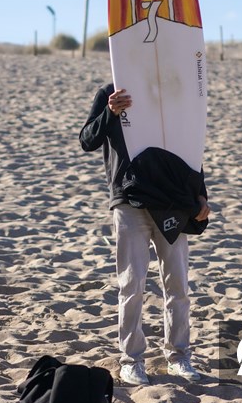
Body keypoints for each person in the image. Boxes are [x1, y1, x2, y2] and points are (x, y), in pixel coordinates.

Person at [79, 84, 210, 386]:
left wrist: (200, 195)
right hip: (129, 199)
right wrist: (110, 113)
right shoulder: (110, 92)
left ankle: (178, 357)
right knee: (132, 284)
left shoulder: (172, 91)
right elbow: (87, 140)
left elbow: (188, 146)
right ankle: (131, 360)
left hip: (173, 201)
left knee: (177, 284)